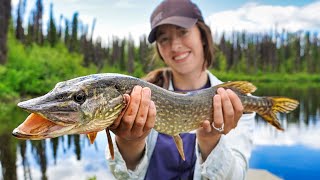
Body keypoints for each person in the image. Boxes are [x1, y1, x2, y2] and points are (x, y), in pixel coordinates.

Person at [107, 0, 255, 179]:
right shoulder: (137, 94)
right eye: (164, 39)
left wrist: (211, 141)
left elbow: (237, 176)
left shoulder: (234, 100)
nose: (175, 45)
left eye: (183, 32)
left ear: (203, 36)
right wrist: (129, 142)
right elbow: (121, 175)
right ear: (159, 50)